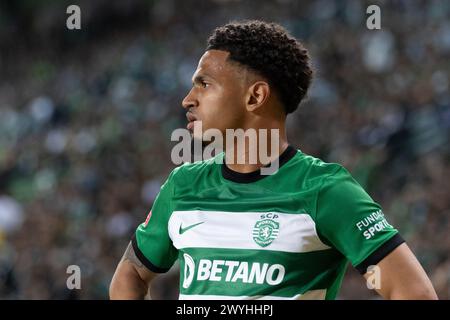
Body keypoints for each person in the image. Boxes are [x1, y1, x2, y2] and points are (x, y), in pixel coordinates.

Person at [109, 20, 437, 300]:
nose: (187, 99)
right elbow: (131, 275)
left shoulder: (325, 190)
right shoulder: (182, 186)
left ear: (255, 96)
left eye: (204, 84)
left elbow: (414, 292)